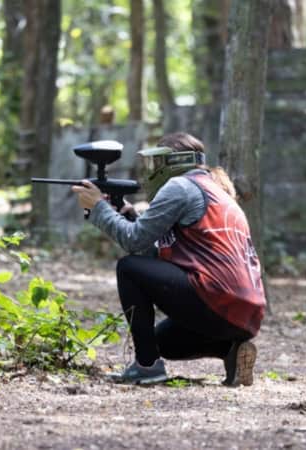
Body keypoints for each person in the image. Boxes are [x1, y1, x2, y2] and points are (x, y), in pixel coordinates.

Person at [71, 132, 266, 386]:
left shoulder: (180, 186)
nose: (152, 172)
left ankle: (147, 366)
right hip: (245, 314)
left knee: (129, 269)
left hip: (216, 296)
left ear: (172, 163)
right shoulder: (218, 192)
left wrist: (98, 207)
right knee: (161, 343)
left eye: (156, 164)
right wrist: (130, 217)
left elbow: (133, 242)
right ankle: (231, 350)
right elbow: (163, 255)